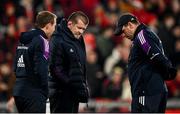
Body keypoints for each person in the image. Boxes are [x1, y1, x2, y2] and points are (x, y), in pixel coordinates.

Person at [114, 13, 177, 113]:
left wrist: (169, 70)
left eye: (123, 31)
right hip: (153, 91)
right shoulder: (145, 34)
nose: (123, 35)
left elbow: (155, 54)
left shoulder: (141, 35)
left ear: (130, 25)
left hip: (146, 93)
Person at [13, 11, 57, 113]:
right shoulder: (43, 41)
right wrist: (46, 92)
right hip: (34, 93)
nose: (55, 29)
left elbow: (16, 67)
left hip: (19, 91)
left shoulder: (23, 38)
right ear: (48, 26)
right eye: (54, 25)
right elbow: (41, 70)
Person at [48, 11, 89, 113]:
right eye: (79, 28)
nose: (81, 32)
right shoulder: (57, 38)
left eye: (84, 29)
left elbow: (80, 67)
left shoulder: (79, 39)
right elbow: (55, 67)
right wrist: (71, 84)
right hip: (60, 93)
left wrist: (81, 87)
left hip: (73, 93)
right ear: (70, 24)